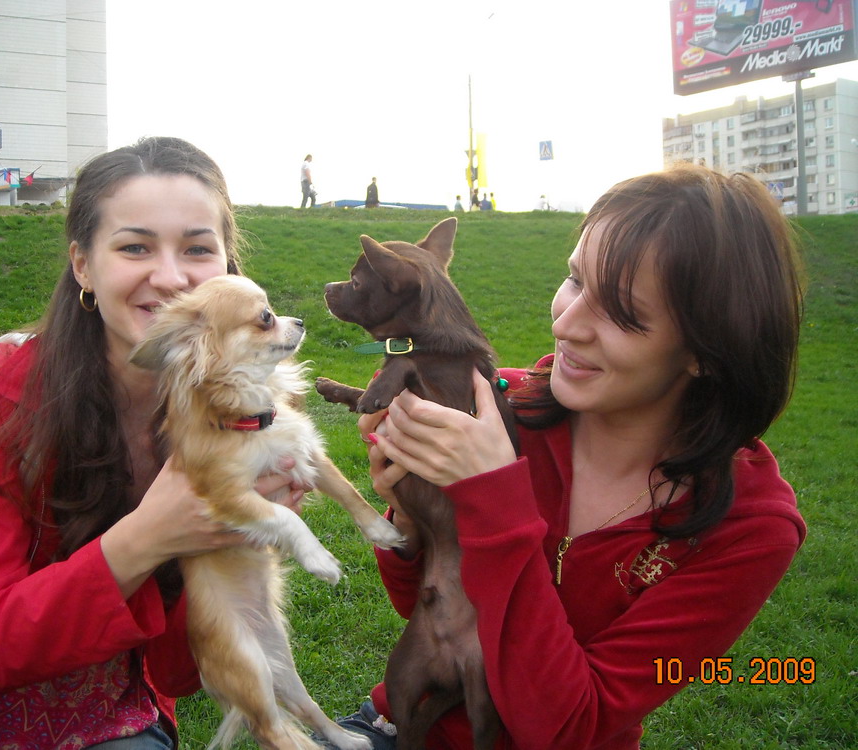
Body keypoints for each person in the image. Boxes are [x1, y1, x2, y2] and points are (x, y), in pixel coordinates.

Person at [0, 137, 312, 750]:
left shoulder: (250, 420)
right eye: (135, 247)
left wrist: (237, 536)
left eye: (198, 249)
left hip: (113, 720)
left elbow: (177, 673)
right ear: (82, 266)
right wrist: (148, 537)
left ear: (229, 269)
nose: (171, 277)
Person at [337, 165, 806, 749]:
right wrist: (408, 520)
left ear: (707, 350)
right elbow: (426, 607)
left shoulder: (750, 527)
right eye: (575, 280)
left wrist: (493, 498)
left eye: (621, 312)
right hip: (399, 728)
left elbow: (570, 725)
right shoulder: (491, 407)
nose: (566, 322)